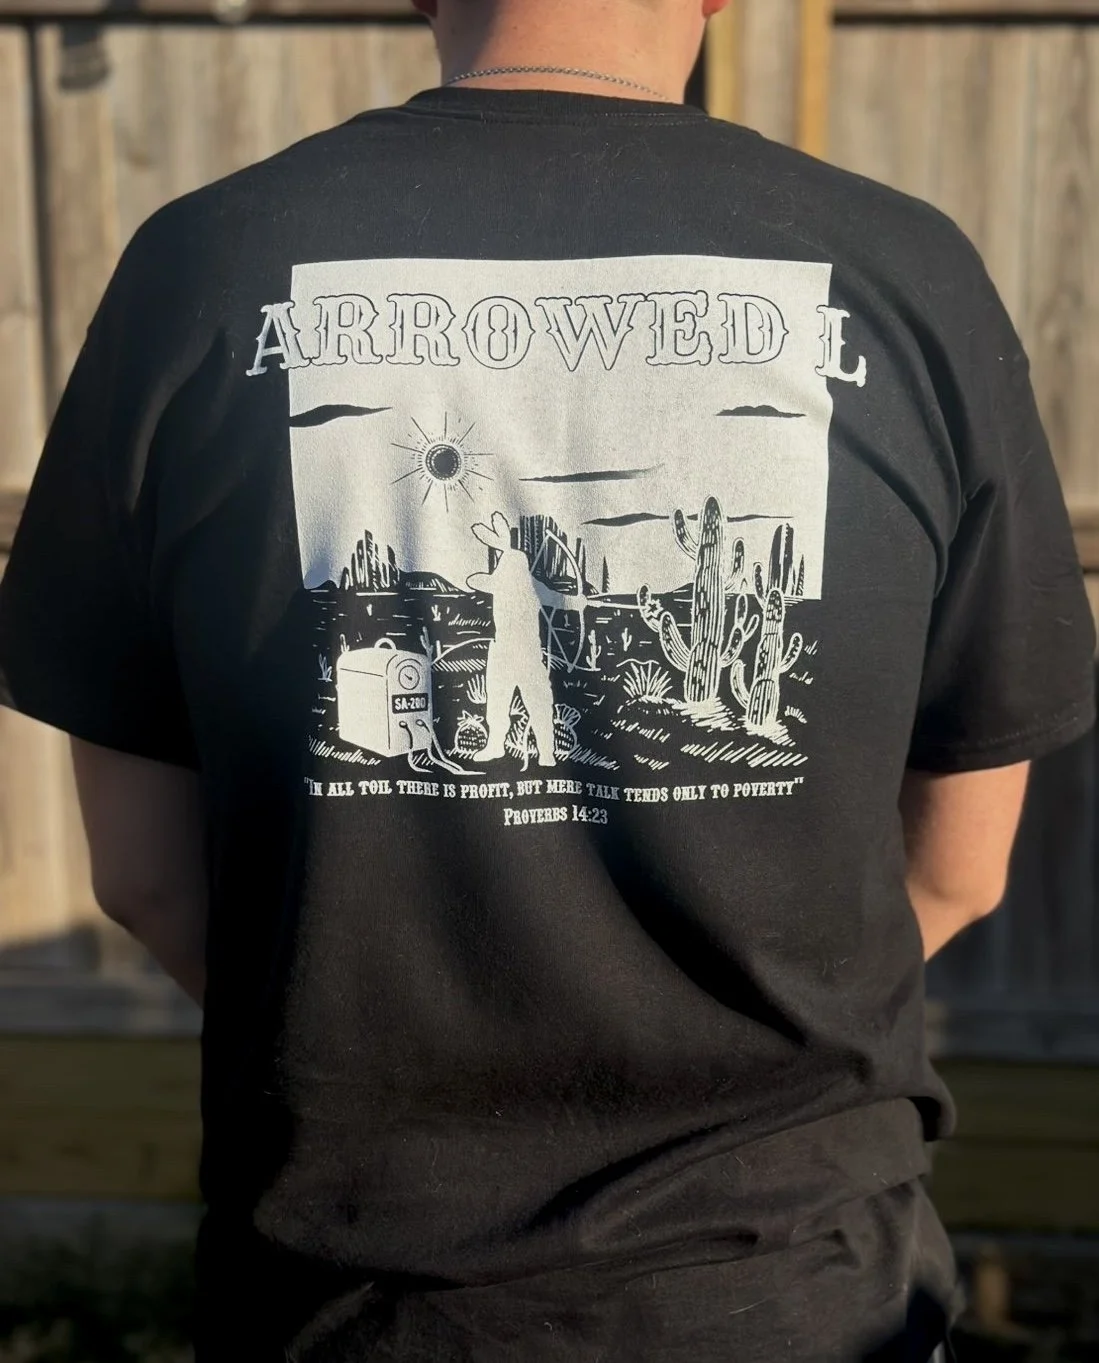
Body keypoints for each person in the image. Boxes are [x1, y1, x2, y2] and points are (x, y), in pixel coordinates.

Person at [0, 0, 1094, 1358]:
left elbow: (147, 880)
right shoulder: (906, 274)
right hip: (798, 1289)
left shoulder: (202, 266)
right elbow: (960, 869)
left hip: (353, 1298)